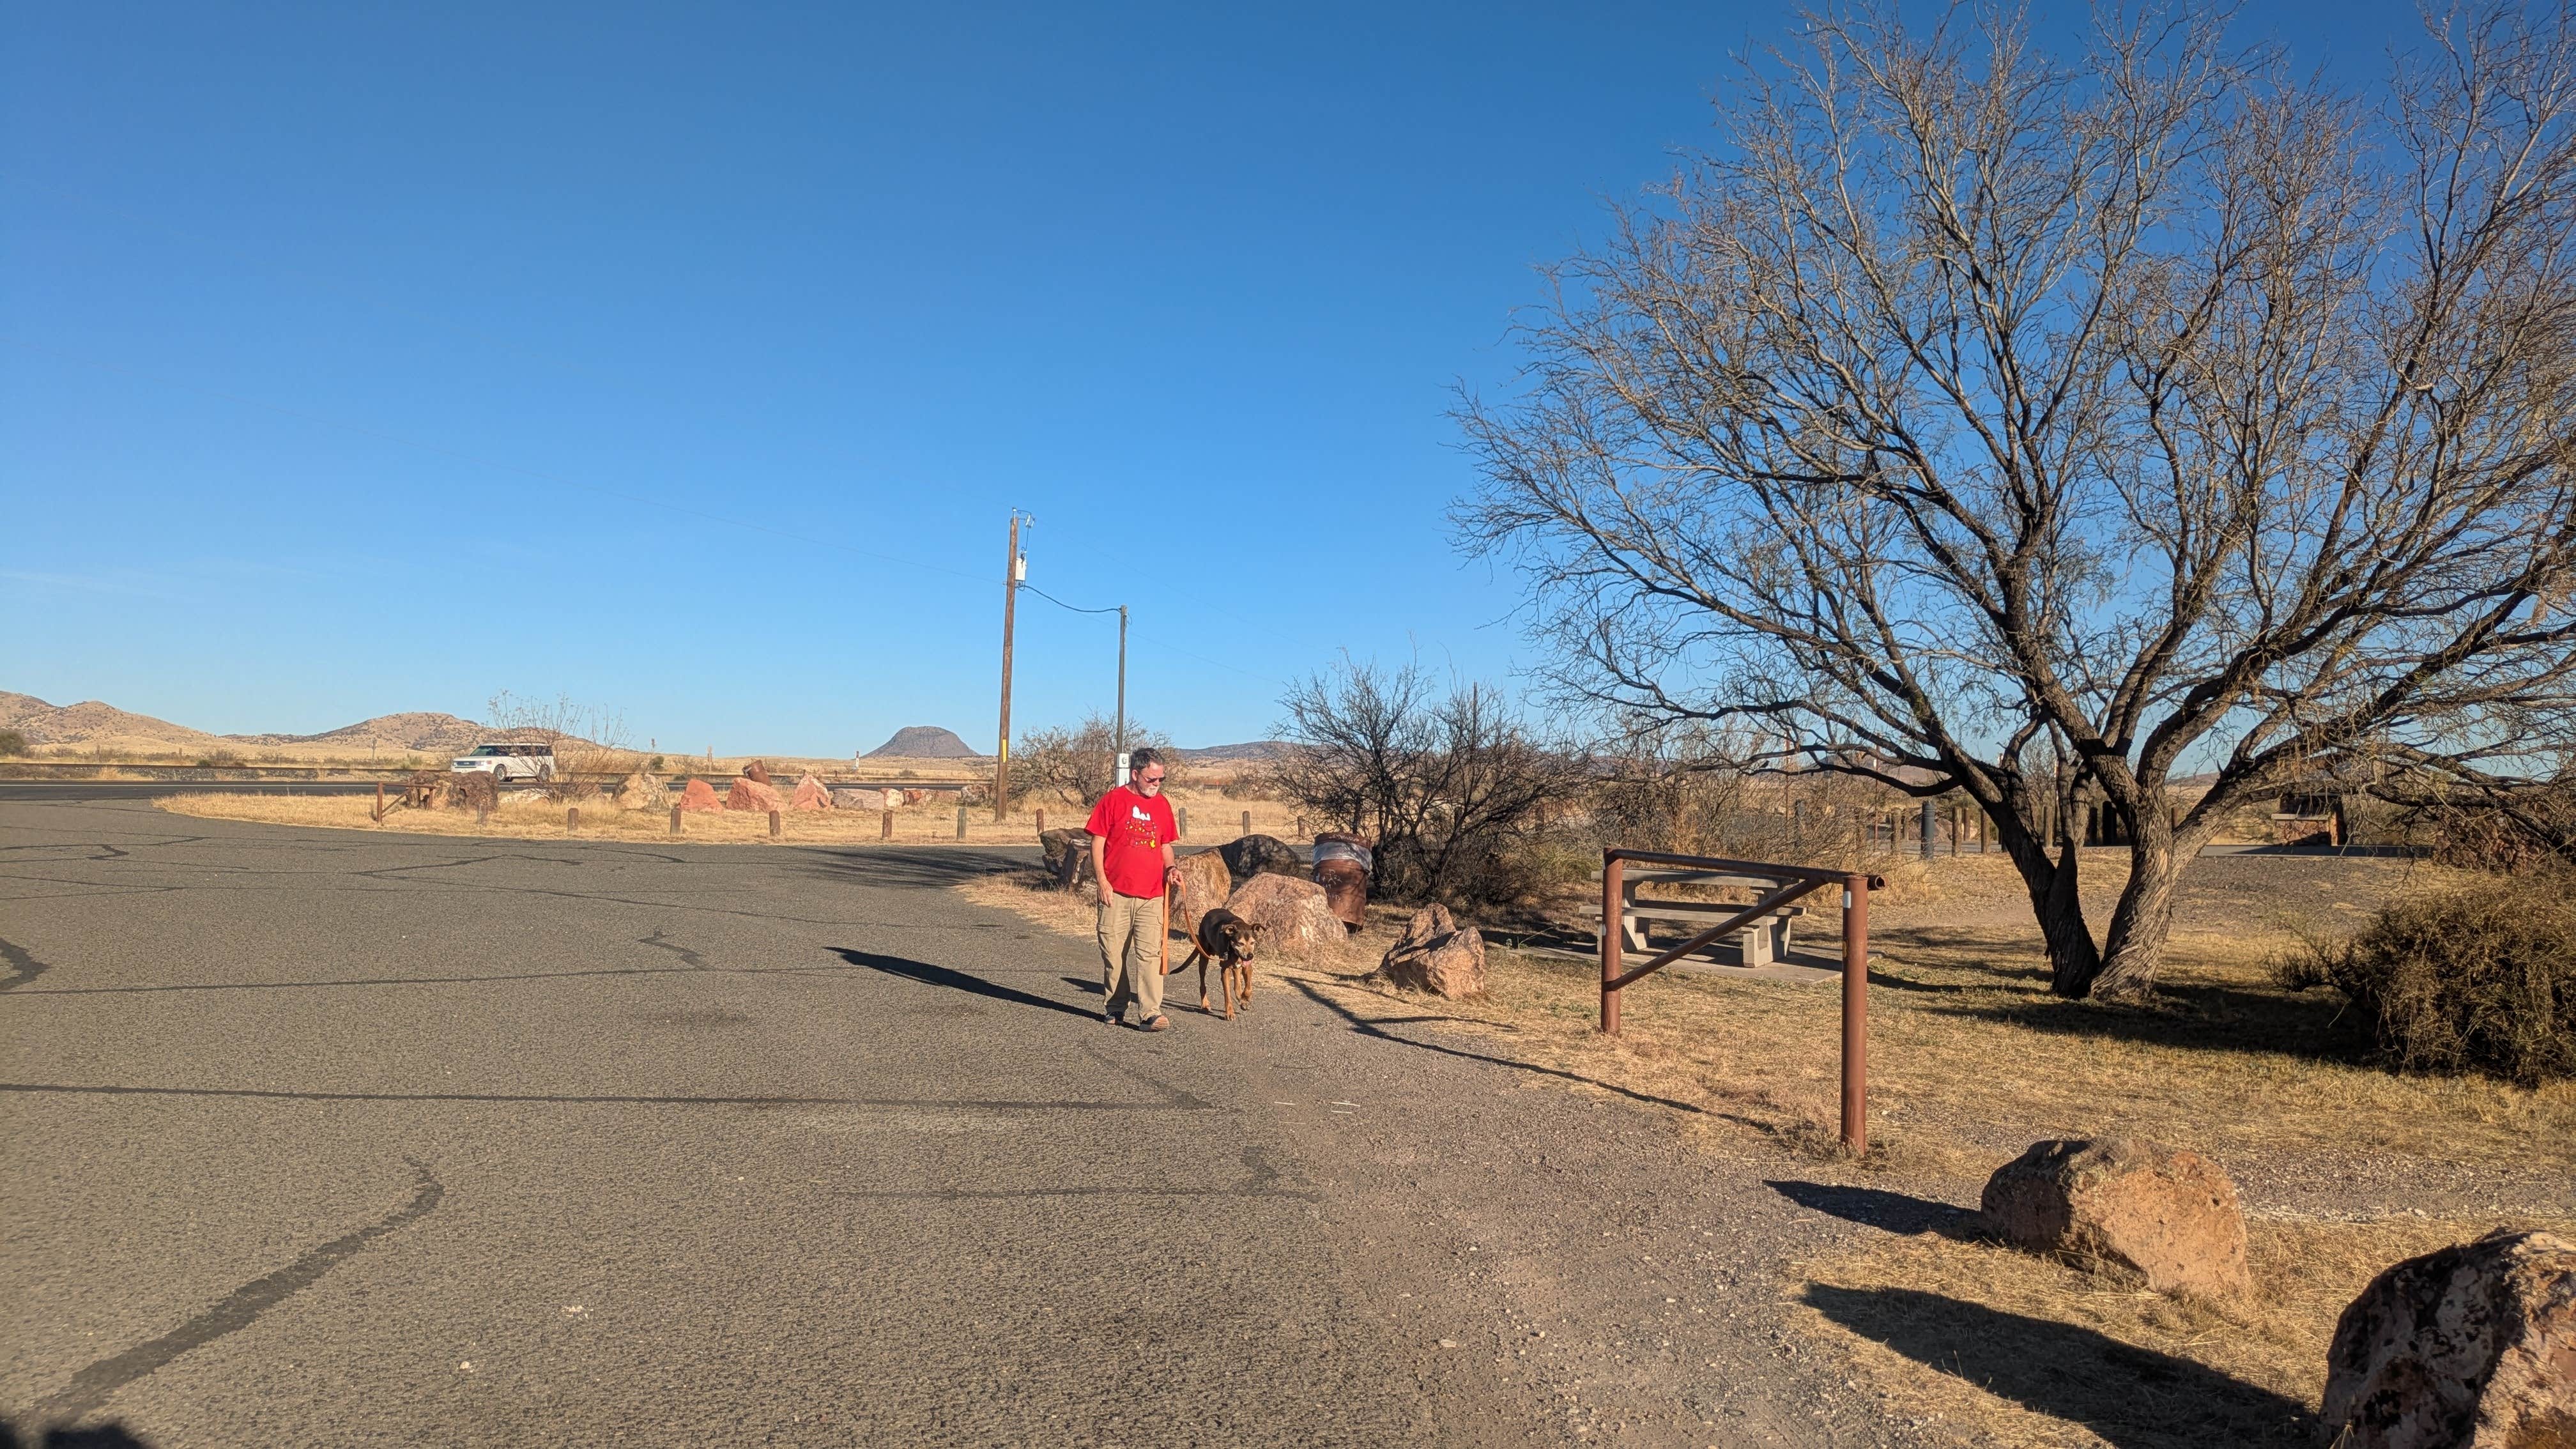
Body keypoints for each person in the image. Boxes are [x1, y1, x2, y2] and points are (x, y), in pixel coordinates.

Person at [1084, 747, 1180, 1031]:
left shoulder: (1162, 805)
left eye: (1161, 779)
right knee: (1114, 954)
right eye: (1151, 779)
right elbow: (1097, 843)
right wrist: (1102, 881)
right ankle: (1116, 1006)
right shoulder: (1112, 801)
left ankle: (1150, 1013)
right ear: (1135, 774)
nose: (1156, 784)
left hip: (1152, 895)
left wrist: (1171, 869)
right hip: (1116, 893)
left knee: (1150, 955)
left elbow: (1165, 845)